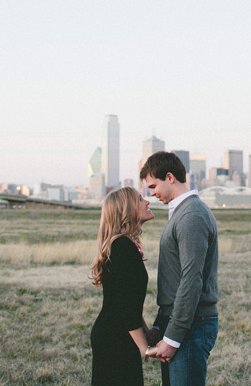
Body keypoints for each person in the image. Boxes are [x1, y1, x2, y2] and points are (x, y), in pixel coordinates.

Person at [140, 151, 219, 386]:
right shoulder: (181, 212)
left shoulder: (192, 215)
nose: (151, 194)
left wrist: (173, 337)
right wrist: (160, 325)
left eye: (153, 186)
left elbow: (191, 279)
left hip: (191, 324)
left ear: (170, 177)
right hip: (181, 321)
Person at [90, 186, 159, 385]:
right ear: (126, 210)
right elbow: (125, 307)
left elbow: (129, 302)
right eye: (139, 199)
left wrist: (147, 333)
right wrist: (145, 348)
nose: (147, 201)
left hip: (118, 333)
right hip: (114, 338)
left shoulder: (122, 245)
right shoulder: (122, 248)